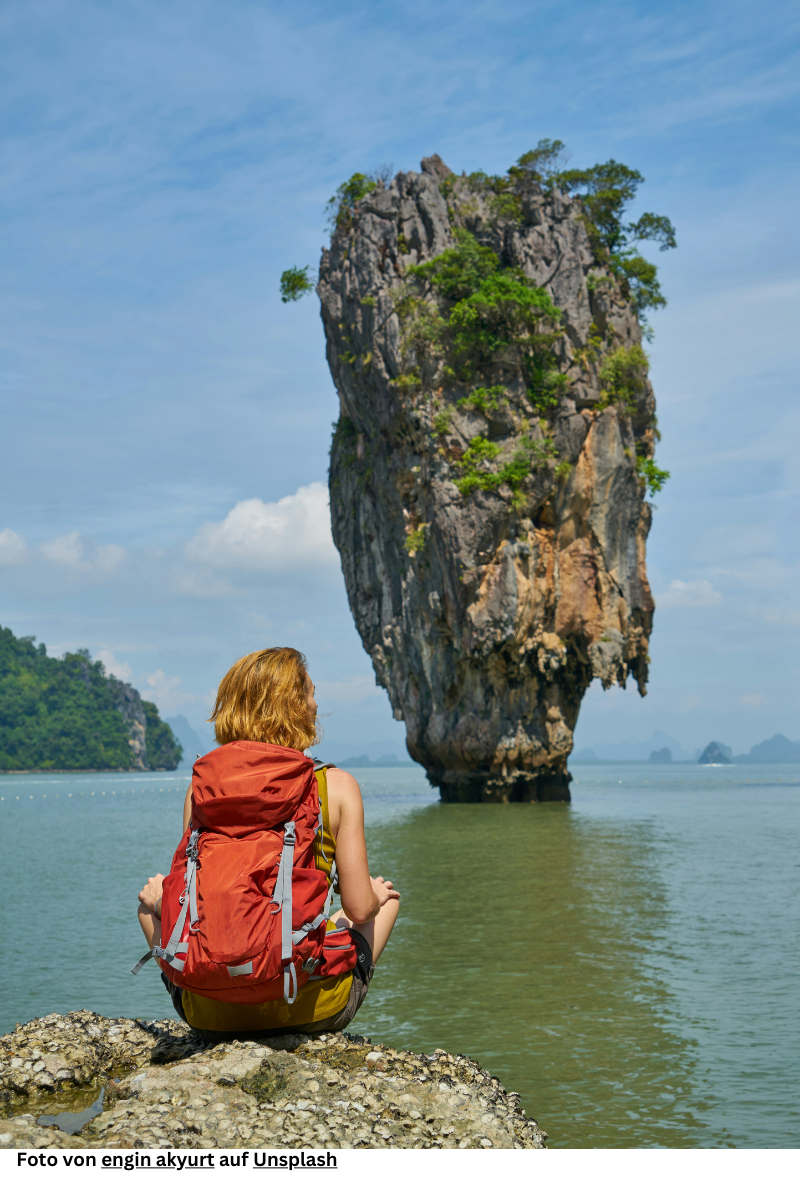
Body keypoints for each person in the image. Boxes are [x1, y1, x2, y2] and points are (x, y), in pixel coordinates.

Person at [136, 647, 400, 1038]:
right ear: (294, 707)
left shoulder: (202, 789)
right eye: (310, 693)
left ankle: (211, 998)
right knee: (385, 901)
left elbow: (190, 900)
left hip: (209, 1016)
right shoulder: (336, 786)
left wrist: (159, 900)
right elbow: (360, 910)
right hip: (307, 1007)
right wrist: (374, 894)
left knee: (146, 905)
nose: (316, 703)